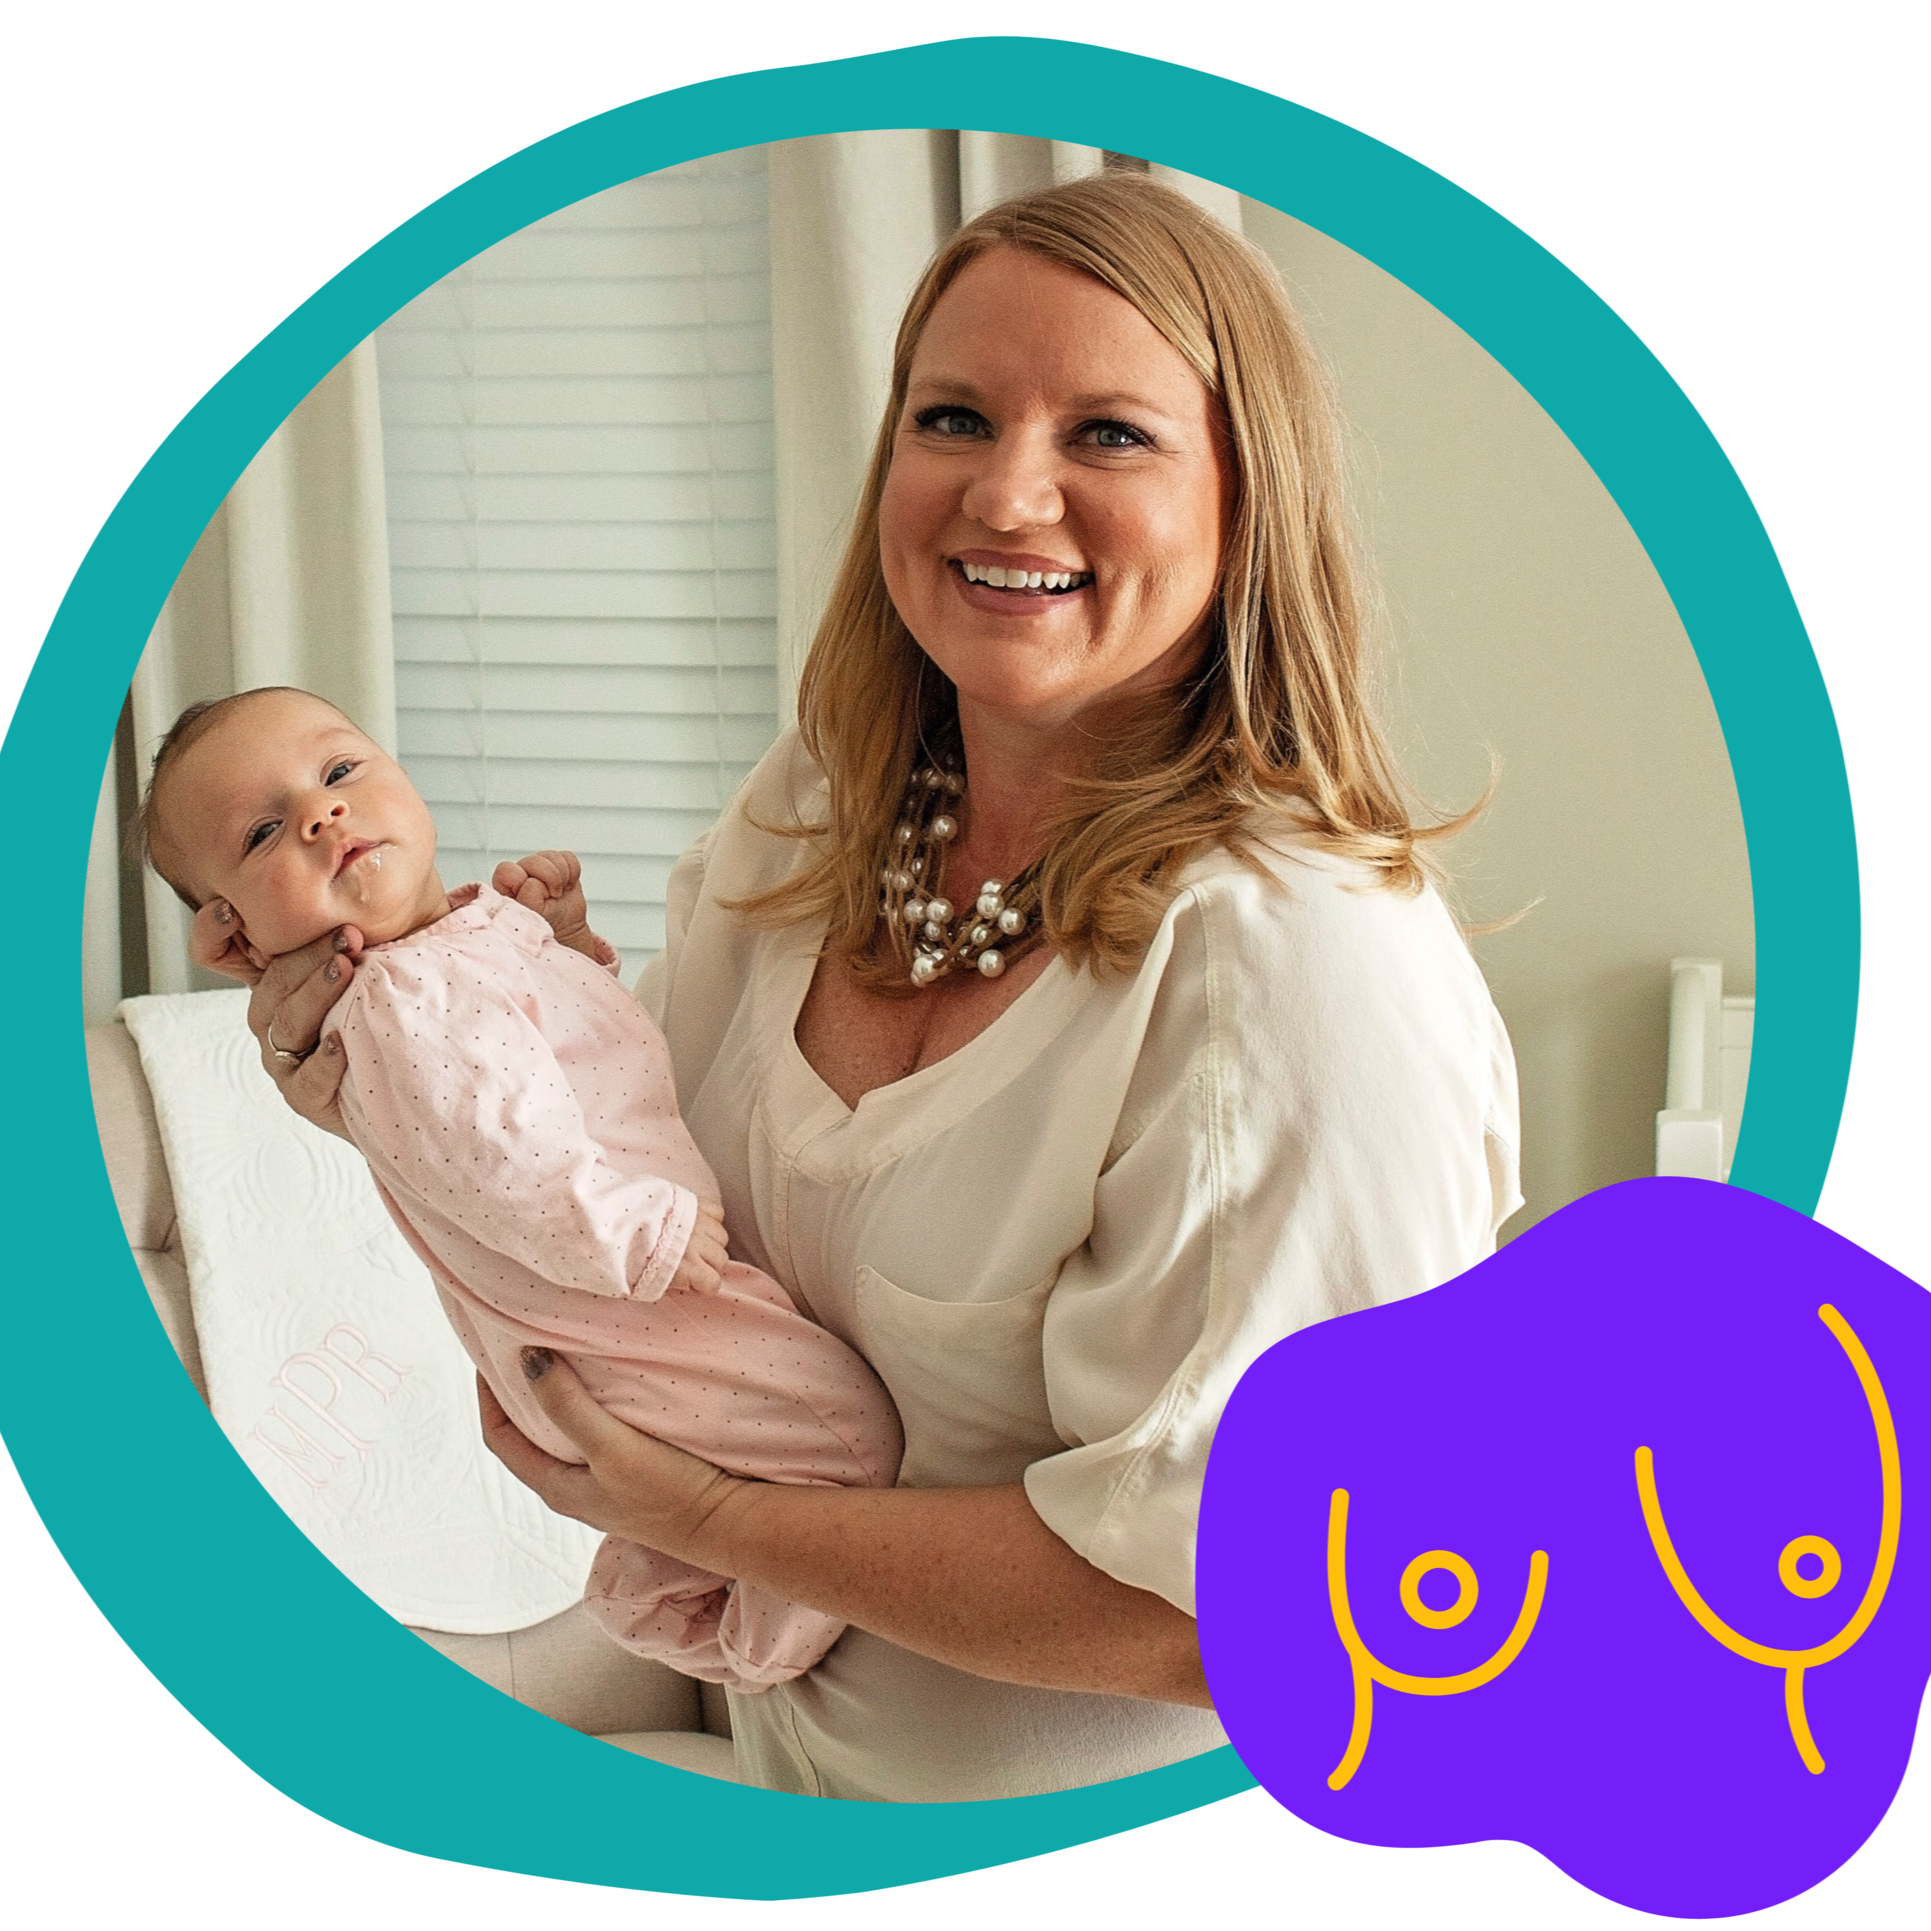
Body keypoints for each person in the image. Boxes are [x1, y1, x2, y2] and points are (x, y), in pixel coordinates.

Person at [199, 174, 1522, 1802]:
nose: (1006, 494)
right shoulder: (819, 809)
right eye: (951, 416)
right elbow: (618, 1179)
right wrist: (400, 1077)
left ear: (1246, 498)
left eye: (1108, 433)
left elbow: (1279, 1602)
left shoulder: (1294, 965)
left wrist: (710, 1520)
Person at [141, 685, 902, 1691]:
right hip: (611, 1314)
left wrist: (566, 945)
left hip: (636, 1302)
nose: (321, 813)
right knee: (849, 1436)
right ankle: (753, 1643)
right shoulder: (399, 999)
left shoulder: (462, 935)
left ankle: (667, 1577)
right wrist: (636, 1232)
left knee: (806, 1438)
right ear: (232, 937)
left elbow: (575, 1058)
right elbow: (503, 1157)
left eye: (338, 771)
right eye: (263, 831)